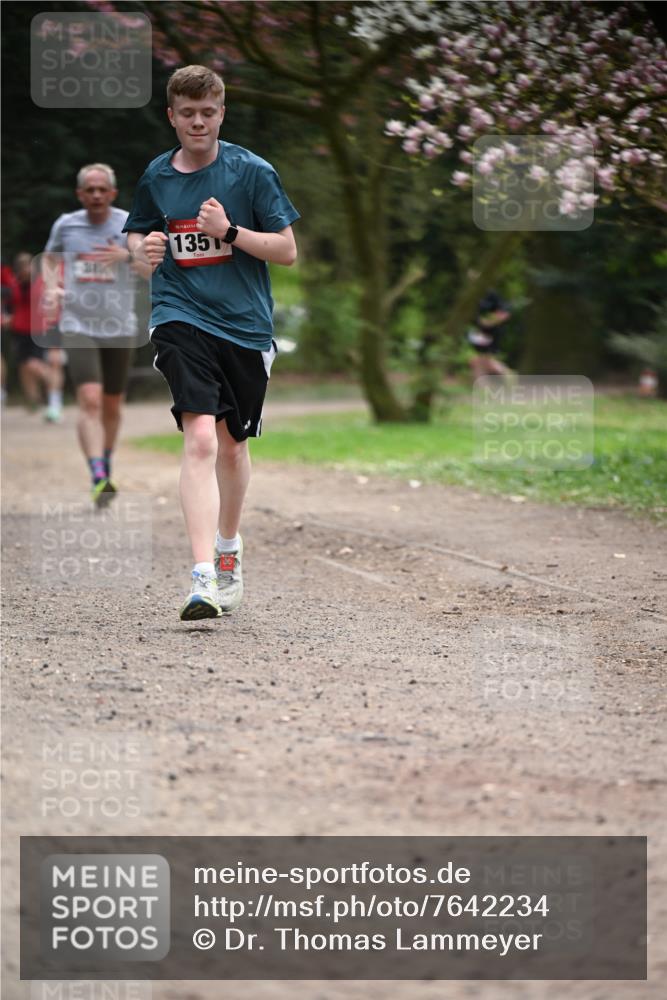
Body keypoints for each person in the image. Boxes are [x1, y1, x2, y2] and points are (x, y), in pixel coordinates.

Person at [124, 65, 299, 621]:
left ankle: (228, 547)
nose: (197, 122)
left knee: (231, 444)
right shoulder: (157, 174)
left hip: (245, 326)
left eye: (208, 113)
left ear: (221, 114)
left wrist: (229, 232)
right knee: (199, 437)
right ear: (171, 116)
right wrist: (141, 252)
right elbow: (139, 231)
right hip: (179, 313)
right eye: (187, 113)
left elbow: (286, 250)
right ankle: (202, 578)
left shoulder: (252, 173)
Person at [42, 164, 149, 506]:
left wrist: (126, 255)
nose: (97, 195)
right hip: (79, 324)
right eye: (90, 190)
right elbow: (48, 259)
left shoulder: (128, 223)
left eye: (103, 189)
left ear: (113, 194)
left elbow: (150, 268)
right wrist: (52, 286)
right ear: (80, 194)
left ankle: (105, 459)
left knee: (112, 405)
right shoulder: (66, 224)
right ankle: (98, 475)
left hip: (119, 326)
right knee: (89, 399)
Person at [6, 253, 64, 421]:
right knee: (25, 366)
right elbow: (12, 306)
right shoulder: (15, 285)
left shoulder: (41, 283)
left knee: (40, 364)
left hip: (42, 329)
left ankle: (54, 397)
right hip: (21, 331)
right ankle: (36, 400)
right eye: (22, 267)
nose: (25, 270)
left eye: (28, 266)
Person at [467, 289, 516, 384]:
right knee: (478, 360)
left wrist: (489, 322)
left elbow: (505, 314)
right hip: (479, 333)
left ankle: (508, 376)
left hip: (490, 334)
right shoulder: (474, 294)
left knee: (481, 359)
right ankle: (482, 384)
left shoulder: (491, 294)